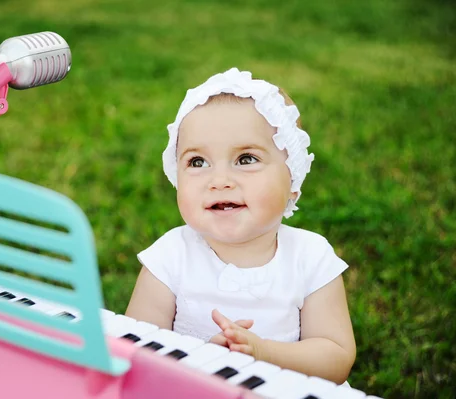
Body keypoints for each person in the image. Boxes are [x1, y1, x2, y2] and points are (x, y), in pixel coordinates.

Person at [125, 68, 356, 384]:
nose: (219, 181)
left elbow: (336, 357)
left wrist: (262, 353)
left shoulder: (310, 258)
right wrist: (202, 359)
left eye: (246, 159)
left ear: (293, 179)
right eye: (197, 162)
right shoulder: (169, 257)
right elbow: (134, 348)